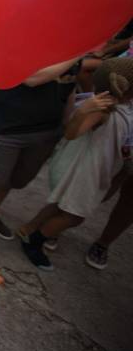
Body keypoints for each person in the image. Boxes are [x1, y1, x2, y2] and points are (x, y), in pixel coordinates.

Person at [0, 57, 80, 258]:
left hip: (46, 128)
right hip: (3, 123)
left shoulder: (75, 46)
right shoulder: (35, 38)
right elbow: (32, 78)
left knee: (19, 177)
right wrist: (79, 52)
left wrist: (66, 120)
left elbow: (70, 84)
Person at [17, 58, 133, 270]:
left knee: (58, 205)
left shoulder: (121, 107)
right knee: (73, 216)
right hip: (83, 171)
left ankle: (29, 228)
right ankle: (35, 241)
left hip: (91, 170)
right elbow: (71, 133)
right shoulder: (102, 108)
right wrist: (82, 112)